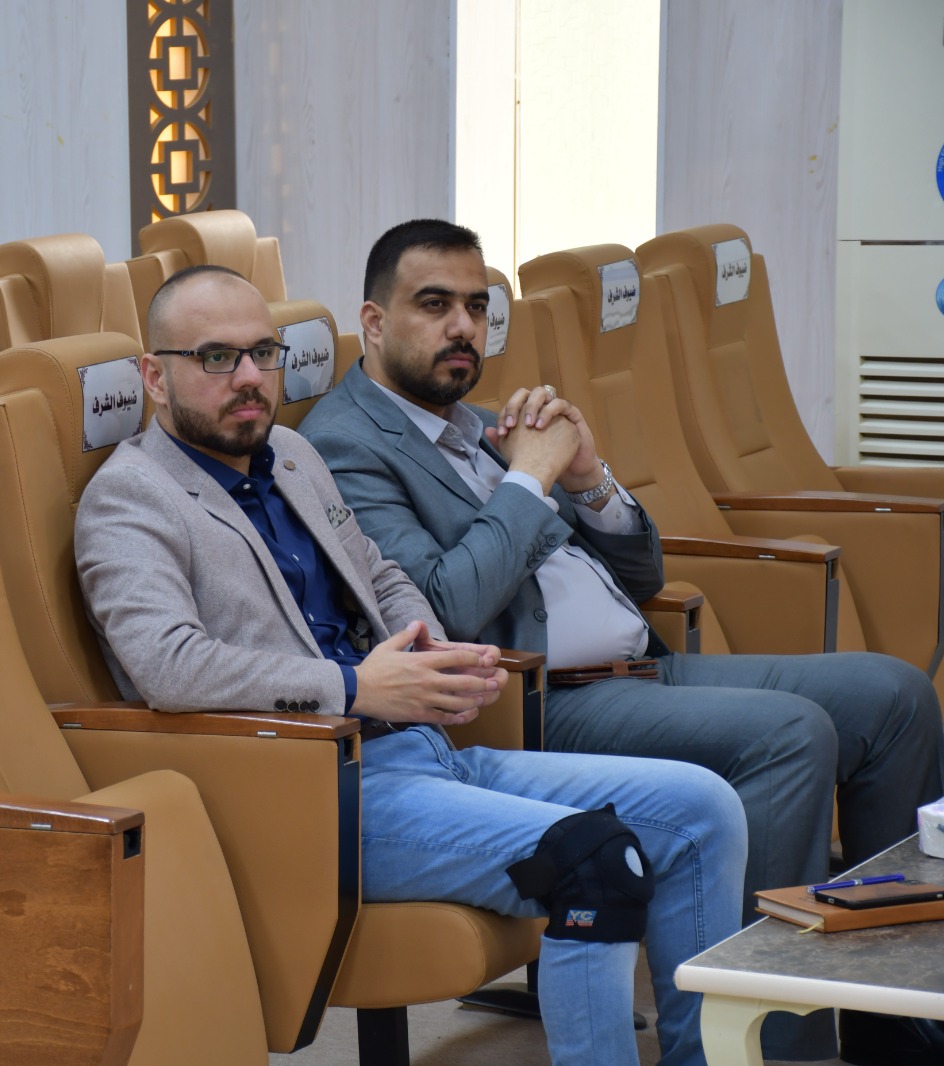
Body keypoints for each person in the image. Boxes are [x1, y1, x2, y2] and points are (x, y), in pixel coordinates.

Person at [297, 218, 944, 1063]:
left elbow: (643, 574)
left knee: (895, 697)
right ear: (374, 323)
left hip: (644, 666)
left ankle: (886, 1015)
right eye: (434, 305)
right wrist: (530, 476)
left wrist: (589, 478)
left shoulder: (482, 424)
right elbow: (439, 611)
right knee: (790, 735)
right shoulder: (344, 446)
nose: (463, 327)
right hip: (540, 702)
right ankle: (764, 1041)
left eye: (477, 307)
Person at [75, 264, 747, 1066]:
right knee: (594, 862)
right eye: (217, 358)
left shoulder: (291, 454)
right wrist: (357, 687)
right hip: (313, 794)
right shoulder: (130, 497)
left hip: (423, 753)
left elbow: (379, 571)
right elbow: (167, 666)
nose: (250, 378)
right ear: (154, 377)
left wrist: (428, 650)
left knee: (704, 810)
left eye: (264, 353)